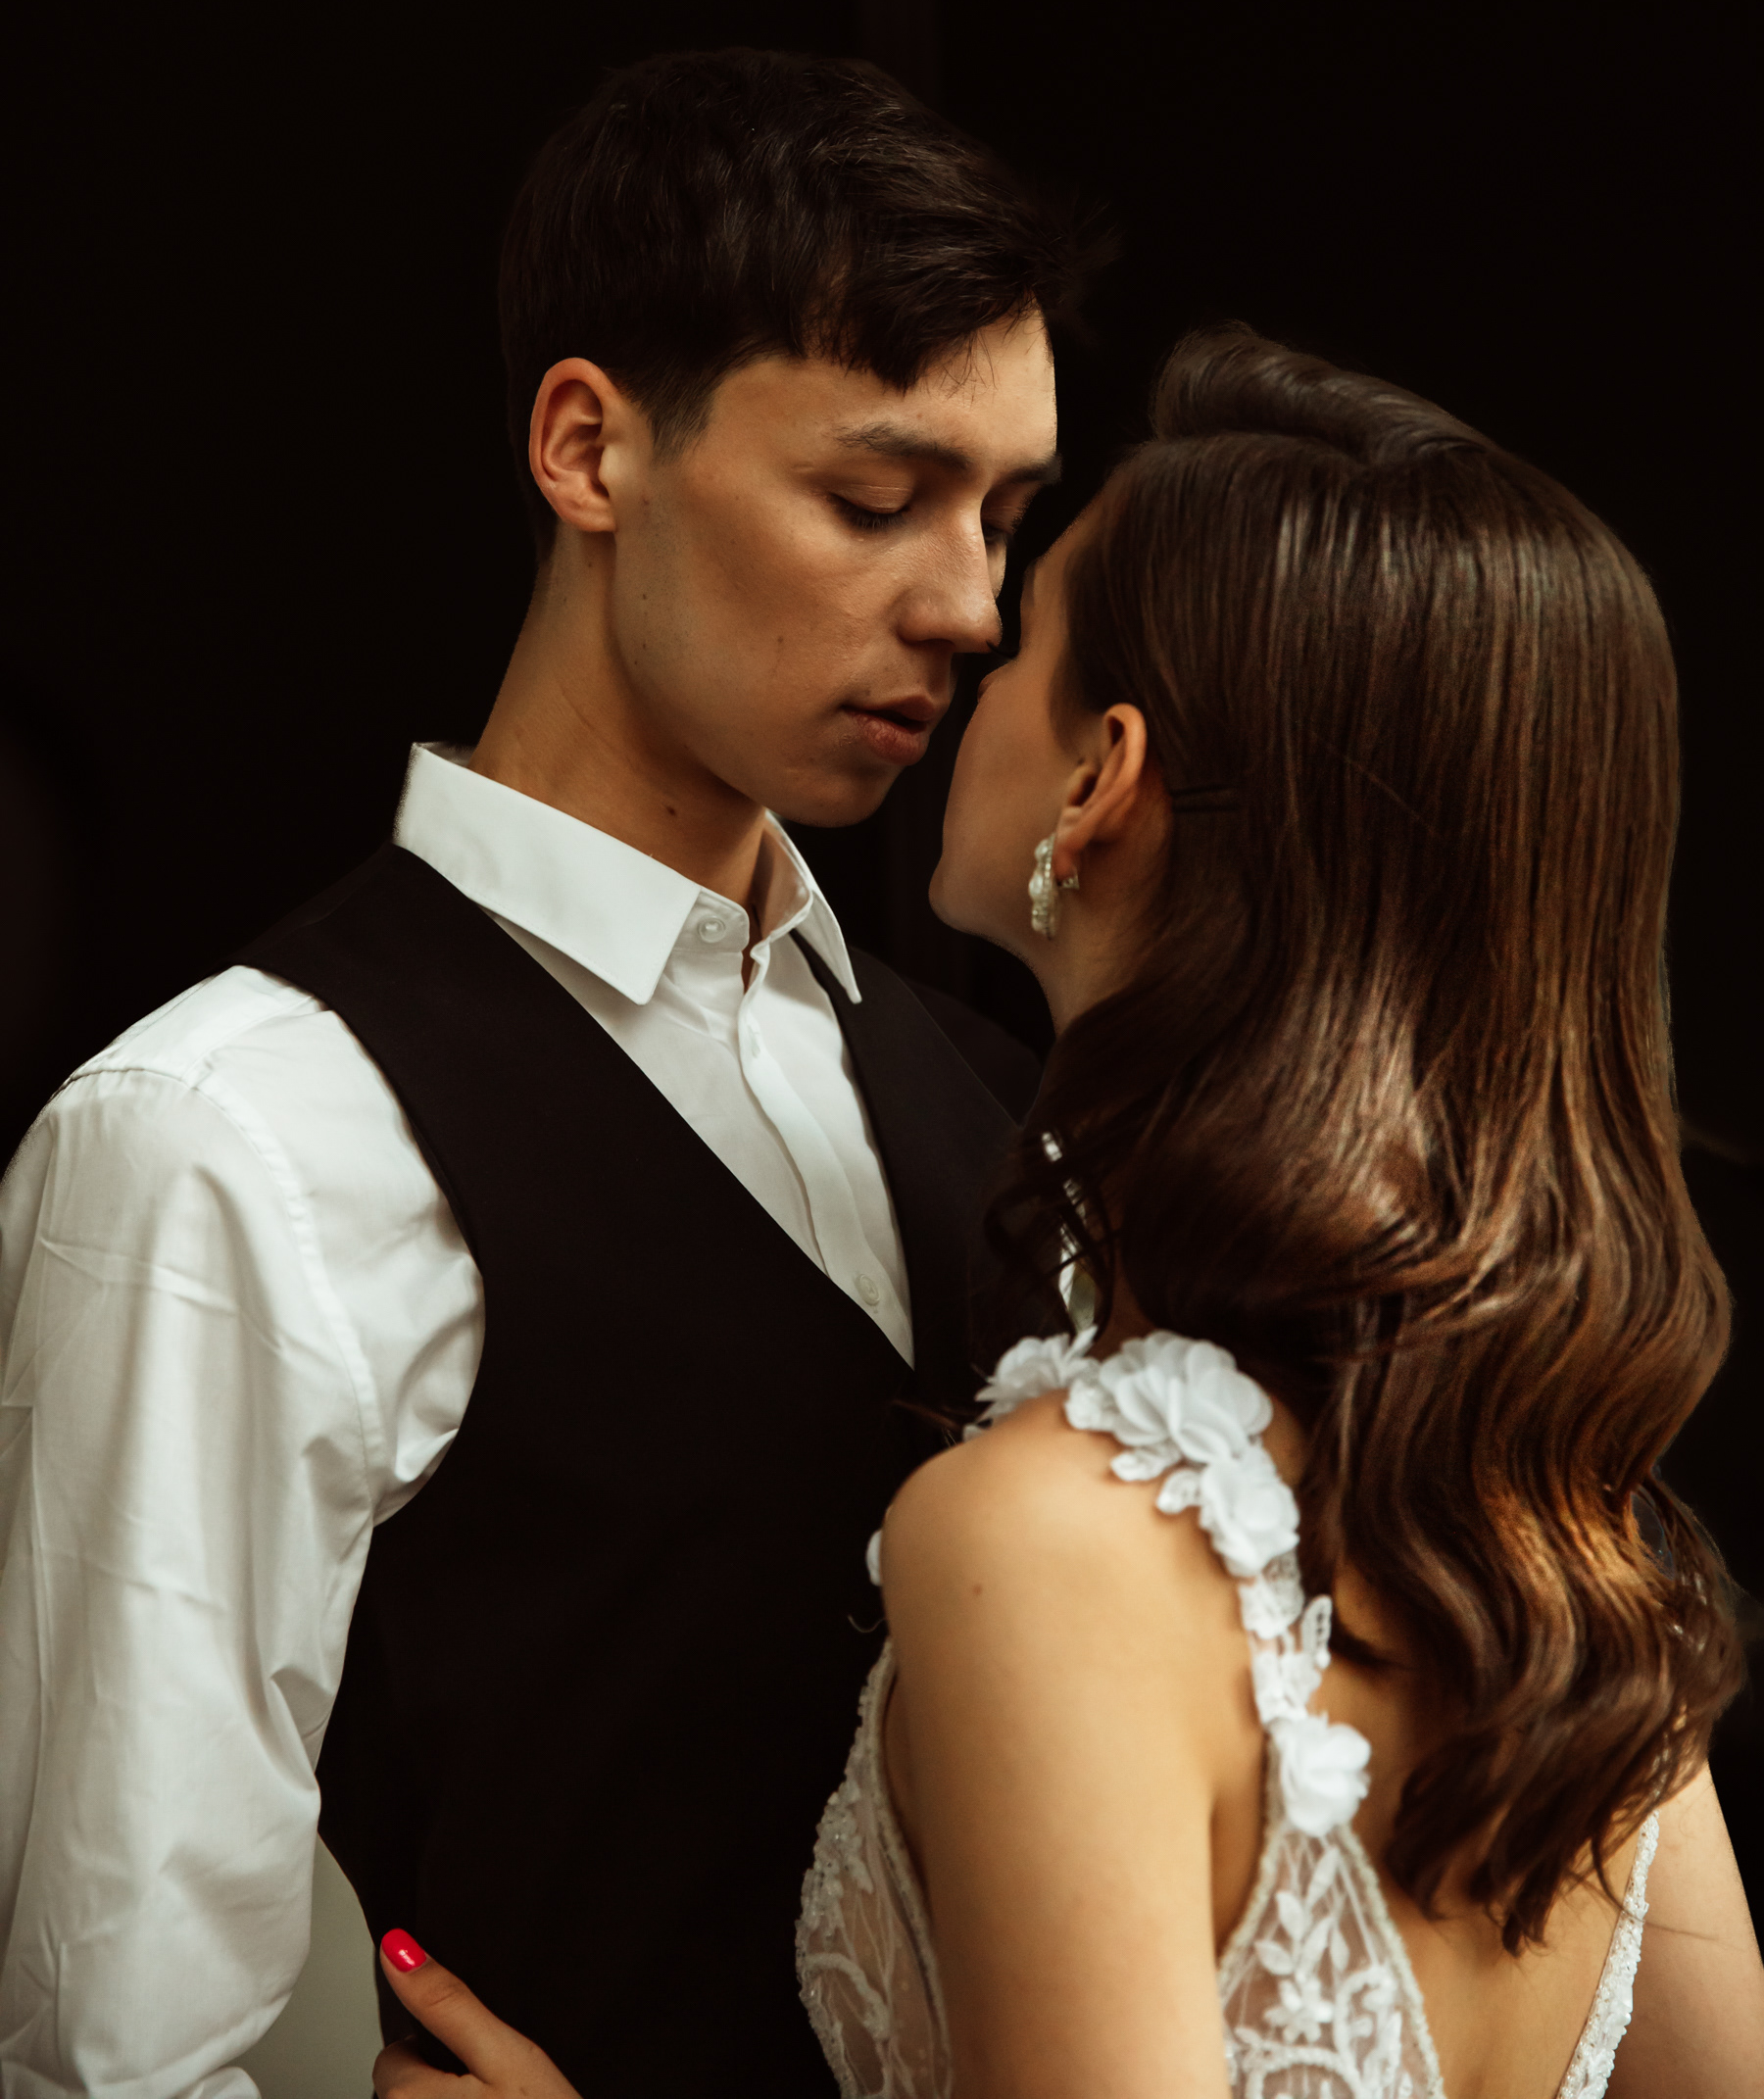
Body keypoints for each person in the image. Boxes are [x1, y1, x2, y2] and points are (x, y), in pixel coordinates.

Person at [370, 327, 1764, 2096]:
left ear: (1103, 779)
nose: (963, 625)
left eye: (1024, 628)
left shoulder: (1045, 1545)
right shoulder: (1560, 1535)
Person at [0, 49, 1091, 2095]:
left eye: (1006, 518)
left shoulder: (989, 1087)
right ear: (588, 448)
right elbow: (118, 2038)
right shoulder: (235, 1137)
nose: (969, 605)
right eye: (874, 500)